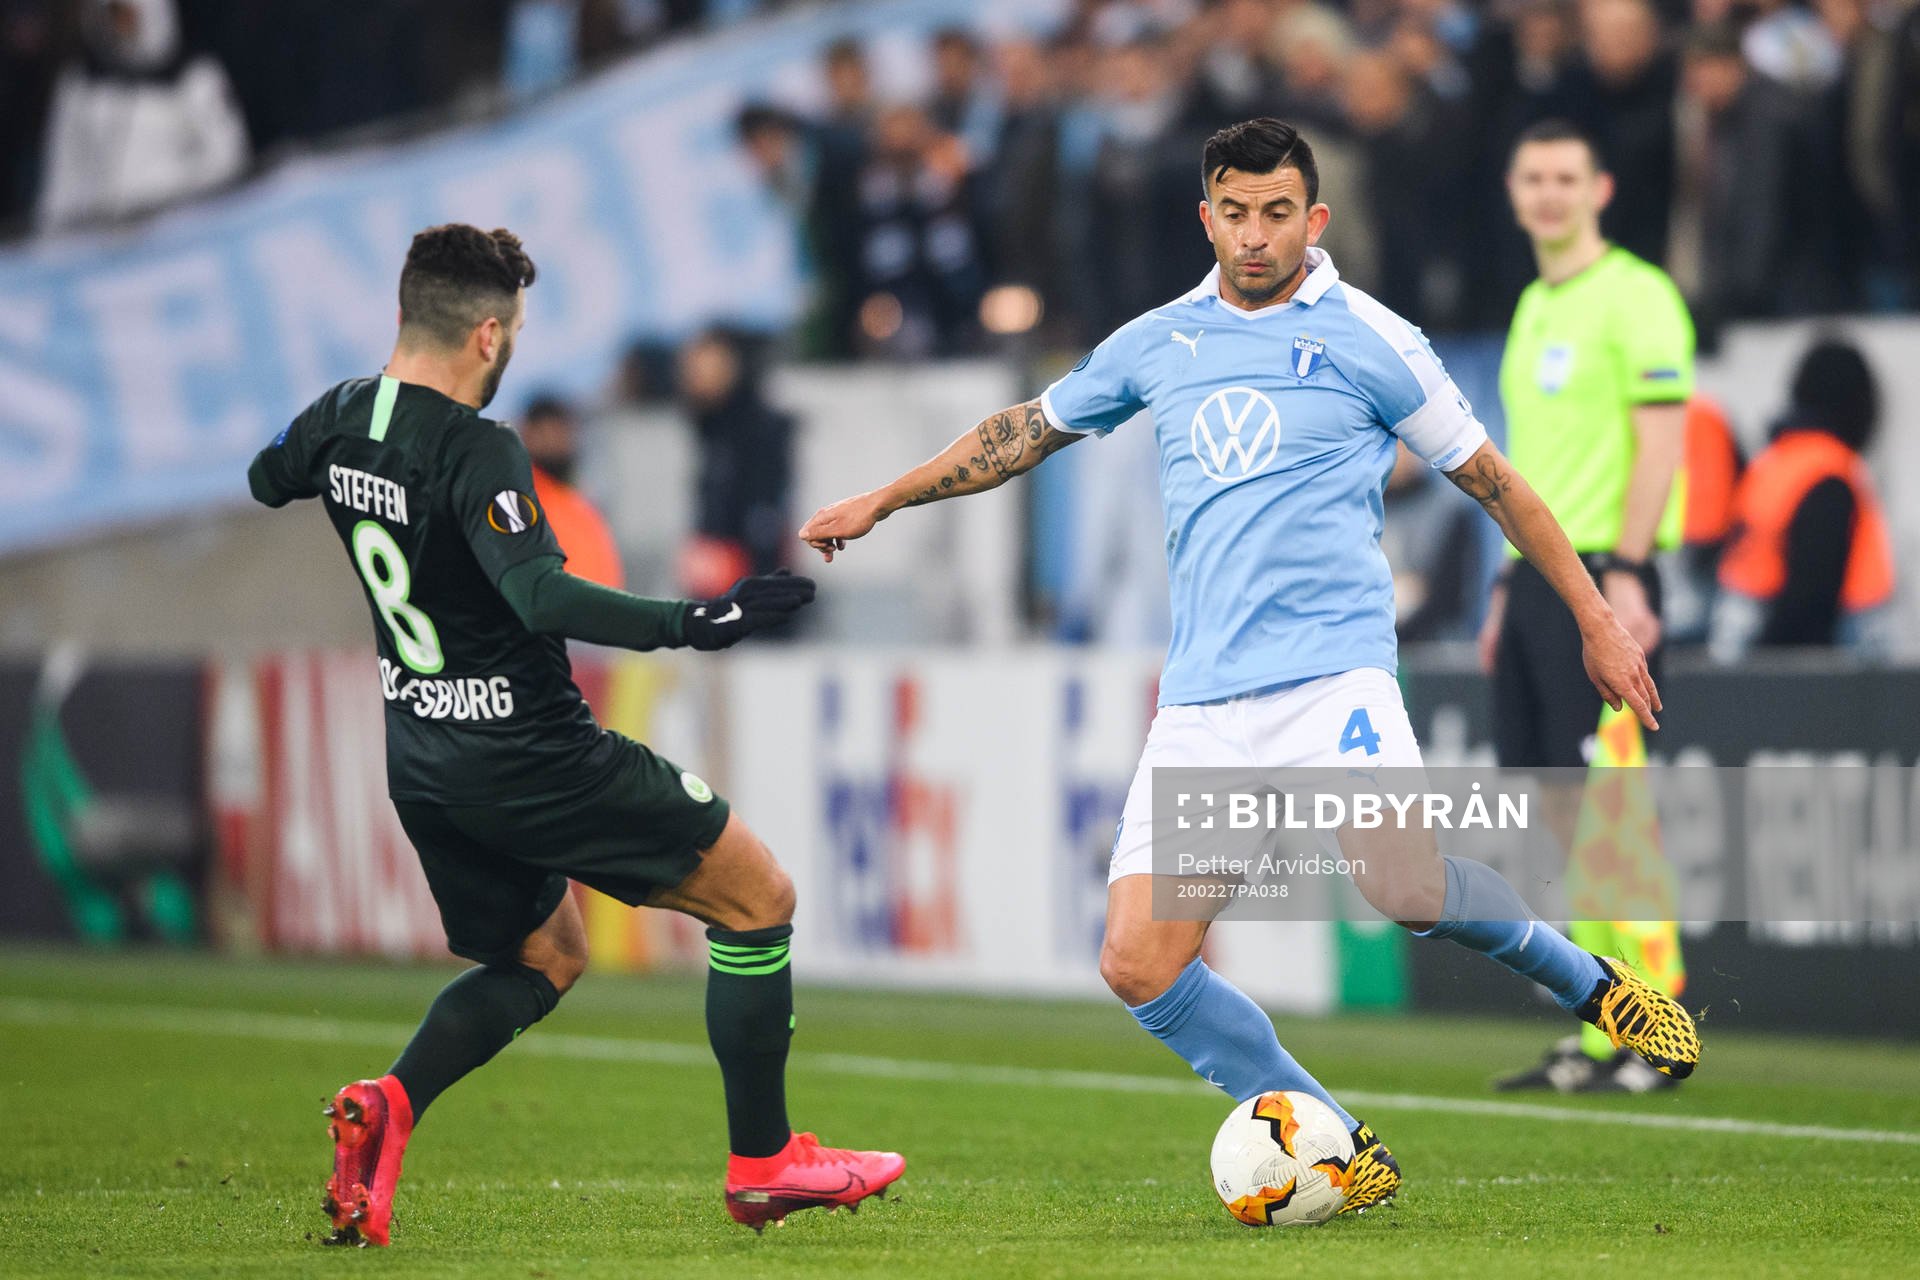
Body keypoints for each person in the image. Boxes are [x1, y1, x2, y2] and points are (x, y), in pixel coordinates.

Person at [799, 119, 1699, 1213]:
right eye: (1235, 211)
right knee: (1138, 962)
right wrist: (886, 496)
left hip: (1337, 674)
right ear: (1206, 216)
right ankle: (1337, 1140)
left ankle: (1590, 982)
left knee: (1405, 888)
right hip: (1206, 700)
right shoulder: (1158, 342)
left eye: (1279, 213)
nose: (1256, 234)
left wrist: (1600, 618)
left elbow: (1496, 483)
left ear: (1313, 219)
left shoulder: (1374, 337)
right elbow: (1025, 429)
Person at [245, 224, 902, 1246]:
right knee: (758, 897)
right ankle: (764, 1161)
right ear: (489, 333)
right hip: (532, 752)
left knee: (546, 953)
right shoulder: (478, 448)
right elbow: (539, 594)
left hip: (422, 757)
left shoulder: (341, 417)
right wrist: (697, 619)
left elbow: (265, 476)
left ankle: (389, 1105)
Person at [1482, 119, 1694, 1094]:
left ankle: (1661, 1023)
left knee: (1610, 806)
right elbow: (1528, 469)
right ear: (1515, 192)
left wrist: (1632, 573)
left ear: (1601, 188)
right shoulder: (1532, 303)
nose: (1551, 194)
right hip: (1536, 579)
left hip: (1604, 570)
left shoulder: (1639, 297)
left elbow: (1659, 443)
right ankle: (1602, 1024)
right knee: (1559, 816)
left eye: (1568, 177)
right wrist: (1501, 584)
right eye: (1535, 178)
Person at [1715, 339, 1894, 655]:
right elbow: (1810, 605)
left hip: (1741, 640)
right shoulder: (1830, 474)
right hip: (1816, 671)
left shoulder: (1771, 462)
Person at [36, 0, 248, 231]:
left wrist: (166, 202)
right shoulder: (81, 83)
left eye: (126, 15)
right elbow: (64, 172)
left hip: (181, 233)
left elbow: (227, 159)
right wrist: (54, 236)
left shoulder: (193, 76)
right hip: (103, 242)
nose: (119, 26)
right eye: (112, 16)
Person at [517, 394, 624, 589]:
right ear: (527, 434)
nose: (554, 442)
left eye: (561, 432)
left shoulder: (578, 502)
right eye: (544, 433)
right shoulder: (520, 499)